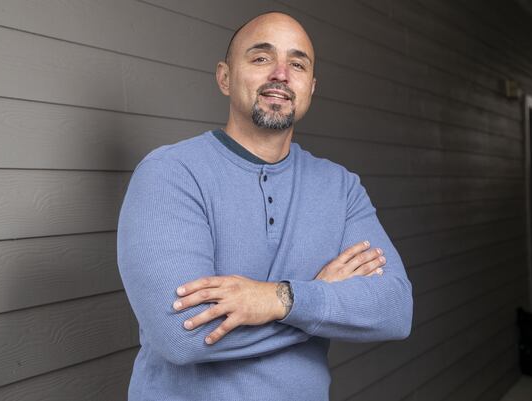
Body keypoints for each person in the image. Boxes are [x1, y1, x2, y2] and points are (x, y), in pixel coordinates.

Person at [117, 11, 413, 401]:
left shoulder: (341, 188)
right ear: (225, 77)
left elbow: (394, 309)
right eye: (261, 58)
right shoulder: (171, 173)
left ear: (311, 87)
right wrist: (321, 300)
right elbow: (182, 335)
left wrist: (281, 299)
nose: (281, 74)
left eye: (298, 64)